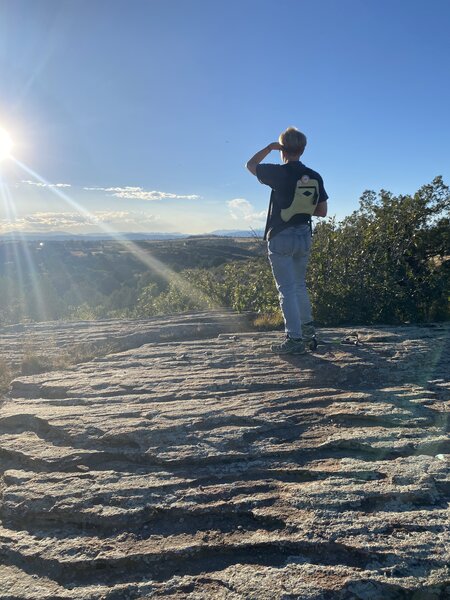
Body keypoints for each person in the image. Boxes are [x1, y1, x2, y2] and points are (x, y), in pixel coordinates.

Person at [246, 126, 328, 354]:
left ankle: (294, 341)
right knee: (299, 285)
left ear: (283, 149)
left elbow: (250, 165)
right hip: (303, 235)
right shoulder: (314, 176)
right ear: (302, 149)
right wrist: (300, 207)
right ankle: (309, 332)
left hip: (281, 235)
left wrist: (269, 148)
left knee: (287, 289)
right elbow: (322, 211)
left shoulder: (278, 173)